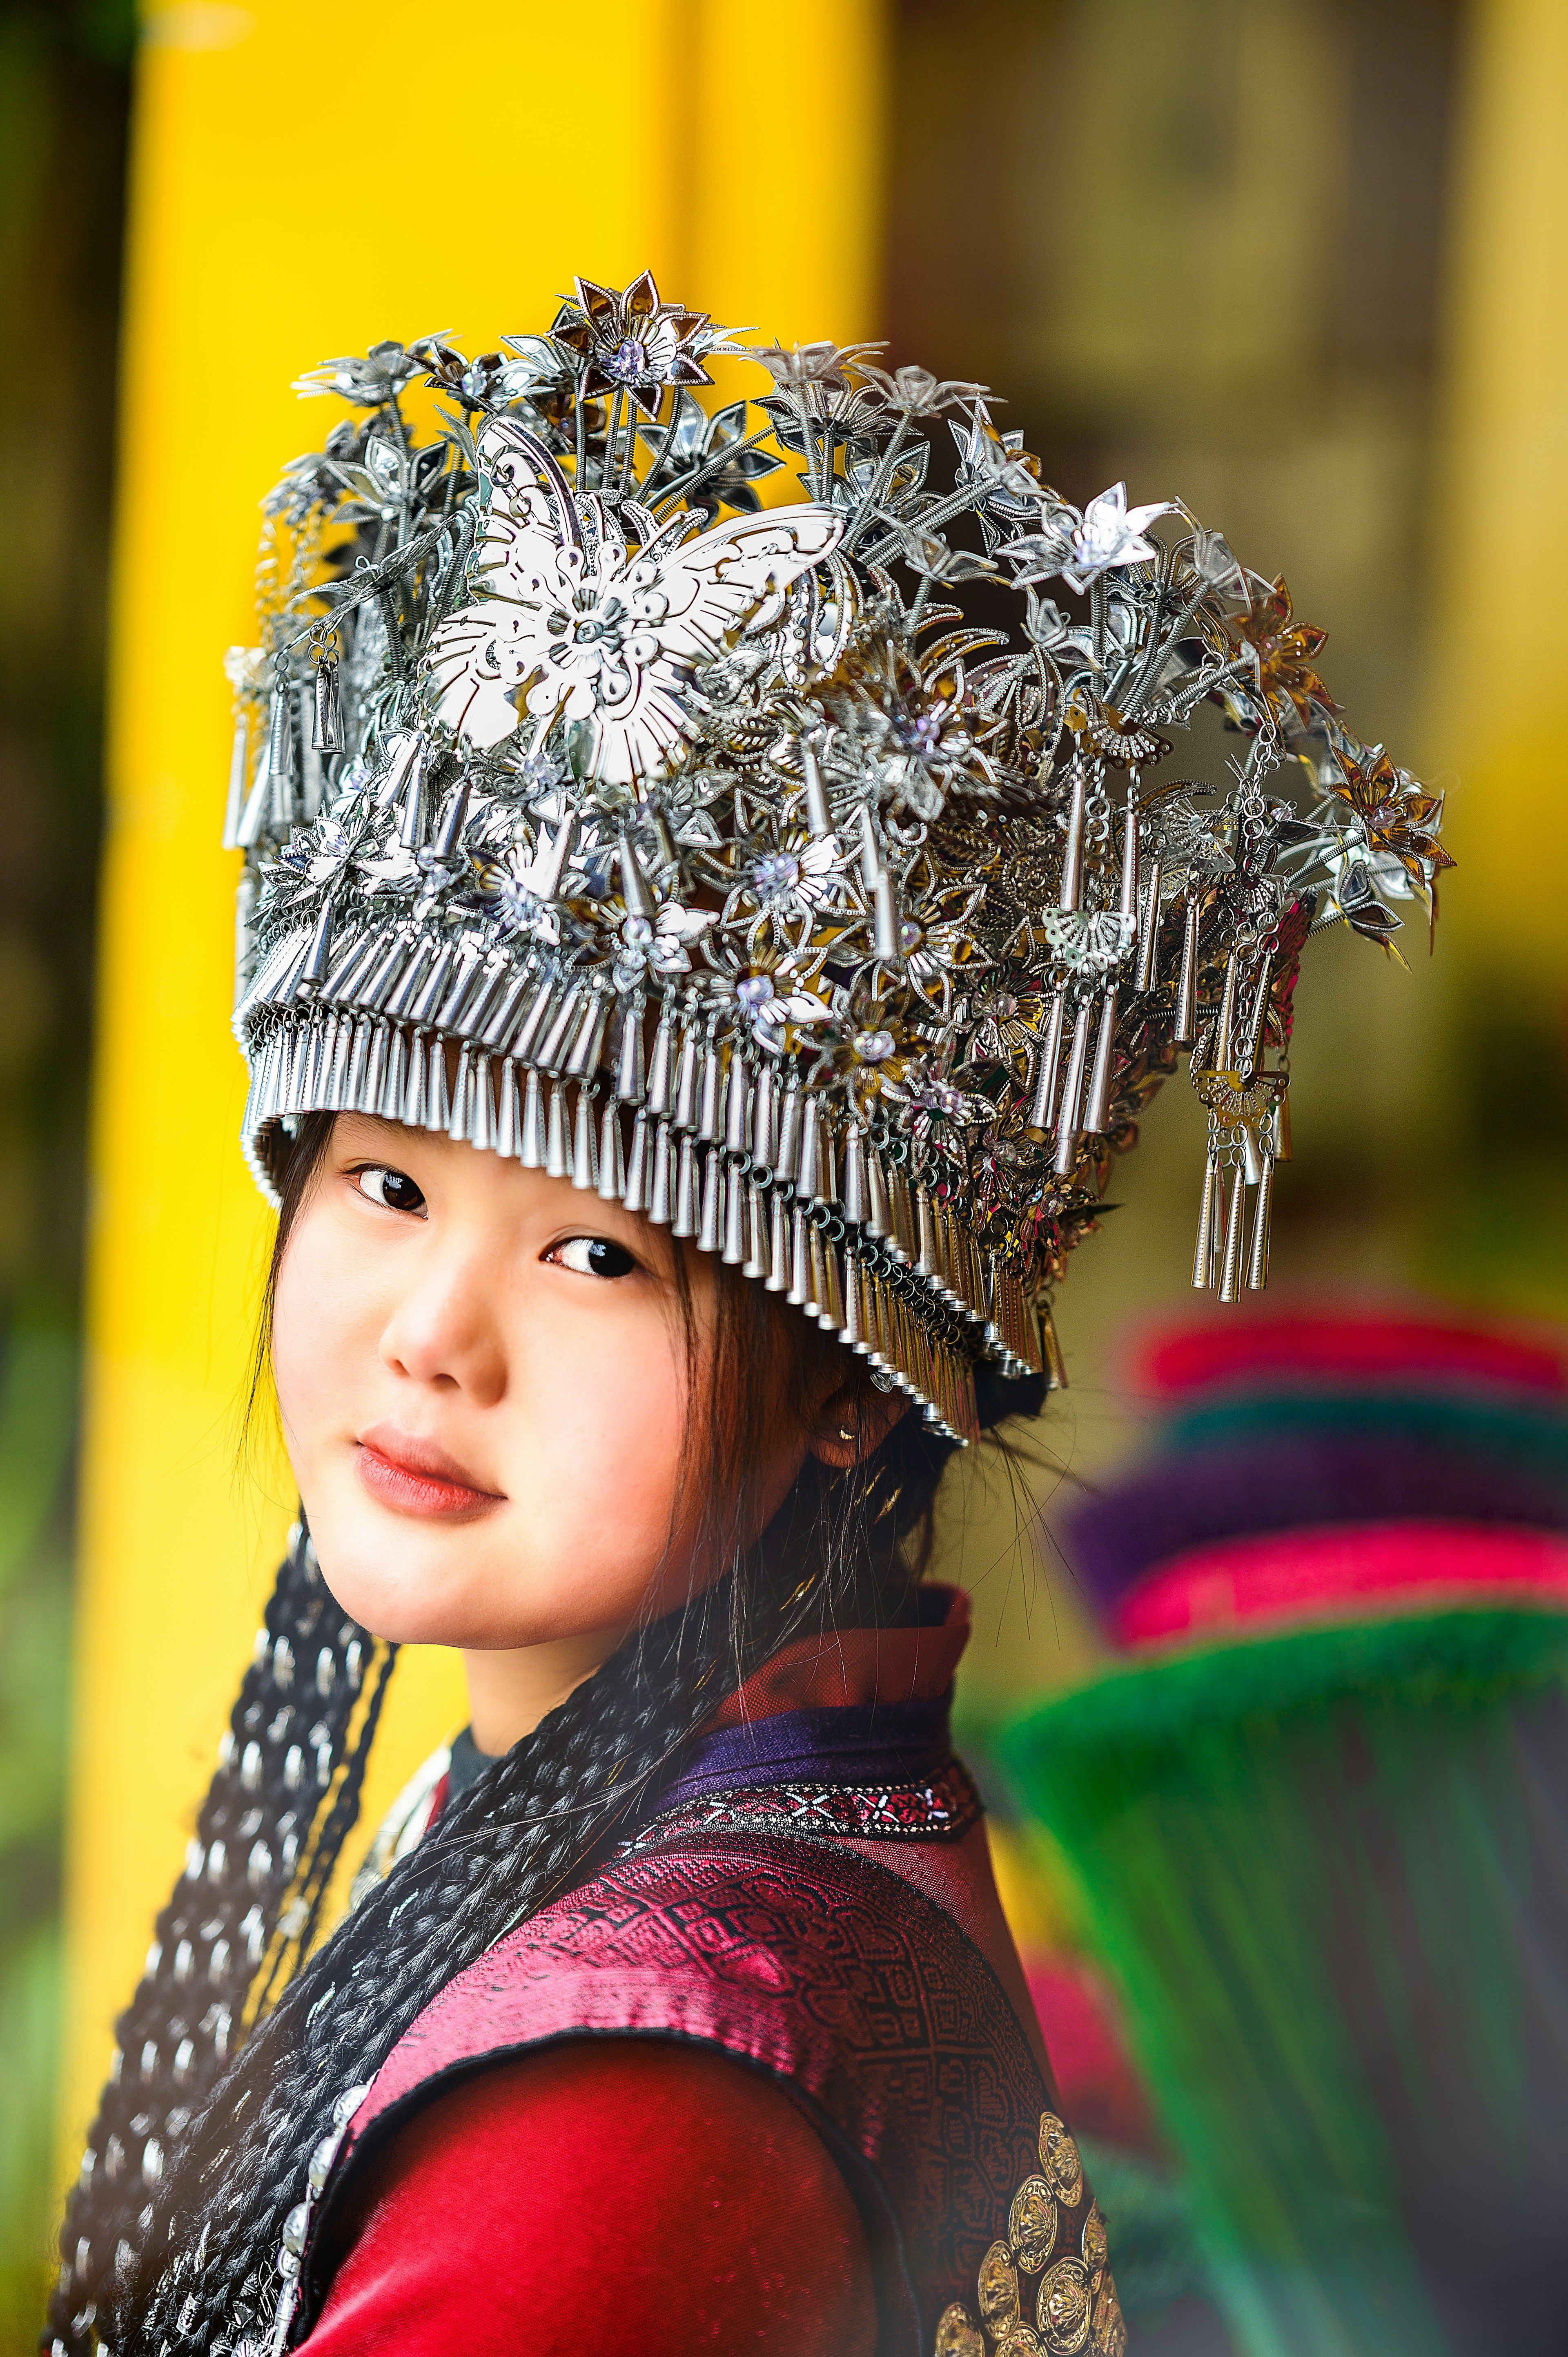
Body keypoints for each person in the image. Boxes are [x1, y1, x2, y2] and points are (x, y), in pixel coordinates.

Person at [47, 271, 1443, 2357]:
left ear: (847, 1397)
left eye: (599, 1256)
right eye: (387, 1184)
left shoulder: (625, 2105)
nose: (438, 1329)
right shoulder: (697, 1833)